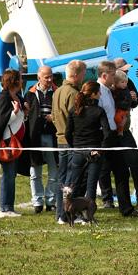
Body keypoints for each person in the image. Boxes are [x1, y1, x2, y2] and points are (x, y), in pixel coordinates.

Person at [96, 60, 138, 217]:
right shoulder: (98, 90)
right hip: (104, 138)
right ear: (106, 75)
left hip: (116, 135)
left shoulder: (109, 88)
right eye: (113, 75)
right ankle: (94, 204)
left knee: (122, 171)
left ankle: (126, 207)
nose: (115, 78)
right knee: (98, 172)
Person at [0, 69, 27, 218]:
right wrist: (14, 112)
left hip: (16, 141)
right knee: (8, 175)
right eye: (20, 79)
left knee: (10, 175)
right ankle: (5, 208)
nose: (22, 81)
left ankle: (8, 207)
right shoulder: (3, 98)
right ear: (14, 81)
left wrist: (23, 112)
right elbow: (1, 121)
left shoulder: (17, 96)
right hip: (7, 143)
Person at [112, 58, 138, 207]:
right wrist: (129, 98)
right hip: (112, 131)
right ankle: (107, 199)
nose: (127, 73)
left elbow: (135, 101)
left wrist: (133, 99)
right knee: (109, 168)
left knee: (135, 162)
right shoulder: (108, 87)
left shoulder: (128, 82)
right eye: (124, 70)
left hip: (125, 130)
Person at [65, 81, 112, 203]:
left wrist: (74, 146)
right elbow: (107, 133)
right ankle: (87, 216)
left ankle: (68, 213)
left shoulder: (73, 111)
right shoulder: (99, 111)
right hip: (94, 151)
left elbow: (67, 133)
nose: (100, 94)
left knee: (74, 184)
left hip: (78, 151)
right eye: (98, 92)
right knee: (91, 186)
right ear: (93, 94)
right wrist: (101, 149)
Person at [52, 60, 86, 224]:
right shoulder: (73, 94)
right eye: (83, 74)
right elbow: (77, 120)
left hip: (60, 139)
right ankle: (67, 215)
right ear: (77, 74)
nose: (83, 77)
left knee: (62, 178)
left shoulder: (57, 91)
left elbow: (53, 116)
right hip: (71, 141)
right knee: (72, 180)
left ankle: (60, 214)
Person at [25, 66, 58, 213]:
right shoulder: (30, 94)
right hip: (35, 137)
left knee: (54, 169)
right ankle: (37, 202)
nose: (50, 79)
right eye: (46, 77)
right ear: (39, 77)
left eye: (51, 76)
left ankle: (50, 201)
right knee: (35, 171)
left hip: (52, 136)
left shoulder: (57, 92)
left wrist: (54, 118)